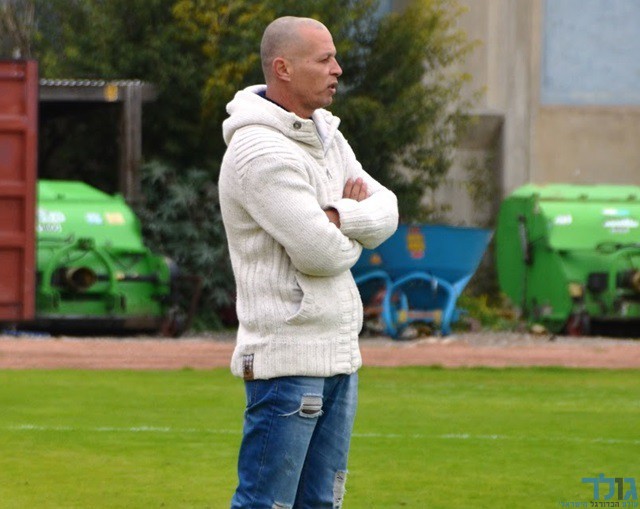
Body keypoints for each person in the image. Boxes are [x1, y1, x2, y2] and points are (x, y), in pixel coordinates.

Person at [218, 15, 398, 509]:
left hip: (338, 355)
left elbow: (388, 210)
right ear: (283, 68)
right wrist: (352, 231)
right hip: (287, 360)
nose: (338, 69)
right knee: (266, 503)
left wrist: (338, 216)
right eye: (325, 59)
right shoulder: (258, 150)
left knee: (322, 503)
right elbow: (320, 255)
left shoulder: (327, 136)